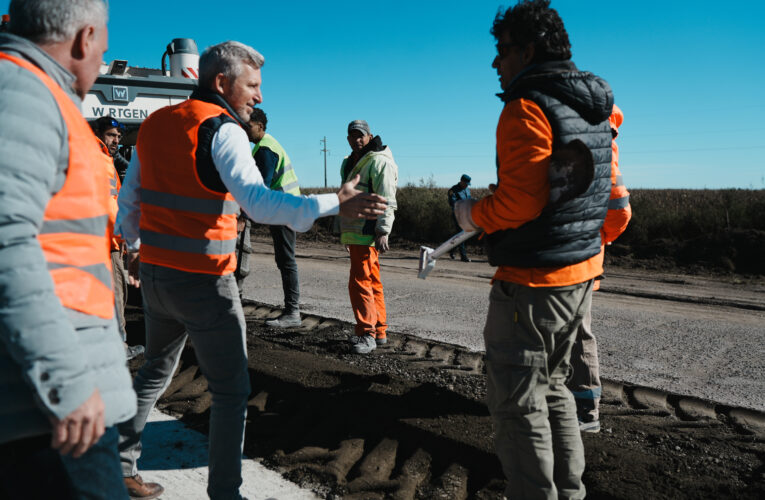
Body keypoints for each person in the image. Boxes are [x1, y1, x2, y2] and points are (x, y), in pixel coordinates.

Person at [115, 41, 387, 499]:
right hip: (204, 284)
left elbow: (130, 202)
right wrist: (334, 202)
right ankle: (225, 492)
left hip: (158, 278)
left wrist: (136, 249)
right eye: (253, 85)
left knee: (155, 370)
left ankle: (120, 466)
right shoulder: (222, 130)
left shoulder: (155, 124)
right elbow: (260, 204)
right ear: (222, 83)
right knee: (230, 391)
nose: (259, 96)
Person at [454, 1, 614, 498]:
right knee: (557, 388)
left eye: (501, 51)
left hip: (534, 281)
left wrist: (470, 215)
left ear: (525, 51)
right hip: (580, 271)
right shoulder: (592, 106)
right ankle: (569, 491)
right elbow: (608, 192)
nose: (495, 63)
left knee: (519, 404)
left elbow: (521, 200)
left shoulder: (528, 105)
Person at [0, 1, 136, 499]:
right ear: (84, 38)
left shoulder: (33, 95)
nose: (102, 55)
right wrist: (67, 381)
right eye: (103, 42)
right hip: (48, 411)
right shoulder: (24, 94)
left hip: (41, 400)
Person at [566, 104, 631, 433]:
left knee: (578, 336)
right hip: (567, 259)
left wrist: (593, 237)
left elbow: (620, 209)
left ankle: (586, 411)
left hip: (578, 261)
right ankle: (568, 405)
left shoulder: (599, 151)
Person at [339, 119, 398, 354]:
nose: (357, 140)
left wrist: (384, 230)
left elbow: (386, 198)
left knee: (360, 283)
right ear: (348, 138)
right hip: (356, 232)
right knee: (372, 281)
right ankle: (379, 330)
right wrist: (345, 234)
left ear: (370, 135)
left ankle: (367, 333)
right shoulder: (353, 161)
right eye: (353, 136)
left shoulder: (378, 161)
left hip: (367, 232)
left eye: (361, 135)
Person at [92, 116, 145, 360]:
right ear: (100, 133)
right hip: (105, 241)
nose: (116, 140)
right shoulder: (97, 159)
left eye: (118, 137)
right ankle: (119, 348)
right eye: (111, 135)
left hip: (107, 239)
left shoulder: (103, 158)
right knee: (117, 293)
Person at [245, 108, 303, 327]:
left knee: (287, 261)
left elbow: (261, 187)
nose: (245, 130)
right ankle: (292, 311)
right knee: (284, 260)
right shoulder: (267, 145)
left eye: (248, 126)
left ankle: (293, 313)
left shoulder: (265, 150)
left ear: (260, 125)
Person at [447, 174, 473, 261]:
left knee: (460, 234)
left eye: (468, 184)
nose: (467, 185)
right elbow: (452, 203)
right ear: (461, 181)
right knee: (462, 233)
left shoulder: (467, 189)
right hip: (458, 215)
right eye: (466, 183)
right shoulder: (453, 190)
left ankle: (451, 250)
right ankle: (463, 256)